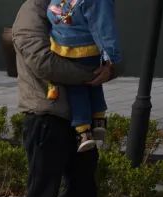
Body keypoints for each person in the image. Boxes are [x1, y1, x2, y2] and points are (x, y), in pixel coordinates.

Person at [12, 0, 114, 197]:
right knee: (43, 188)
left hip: (83, 120)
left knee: (83, 188)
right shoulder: (32, 11)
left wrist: (110, 65)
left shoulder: (78, 6)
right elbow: (42, 60)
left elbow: (105, 40)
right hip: (46, 116)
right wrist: (91, 75)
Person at [46, 0, 121, 152]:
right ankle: (99, 120)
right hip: (85, 47)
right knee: (93, 81)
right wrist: (110, 56)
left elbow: (102, 24)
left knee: (77, 88)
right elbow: (103, 26)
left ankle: (83, 131)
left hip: (67, 47)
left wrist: (110, 56)